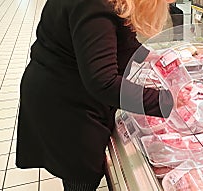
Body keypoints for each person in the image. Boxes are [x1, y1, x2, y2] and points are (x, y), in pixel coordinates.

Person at [16, 0, 175, 190]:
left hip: (66, 88)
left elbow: (116, 34)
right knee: (79, 174)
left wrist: (147, 56)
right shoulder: (93, 4)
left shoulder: (108, 4)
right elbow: (103, 82)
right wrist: (168, 102)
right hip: (64, 104)